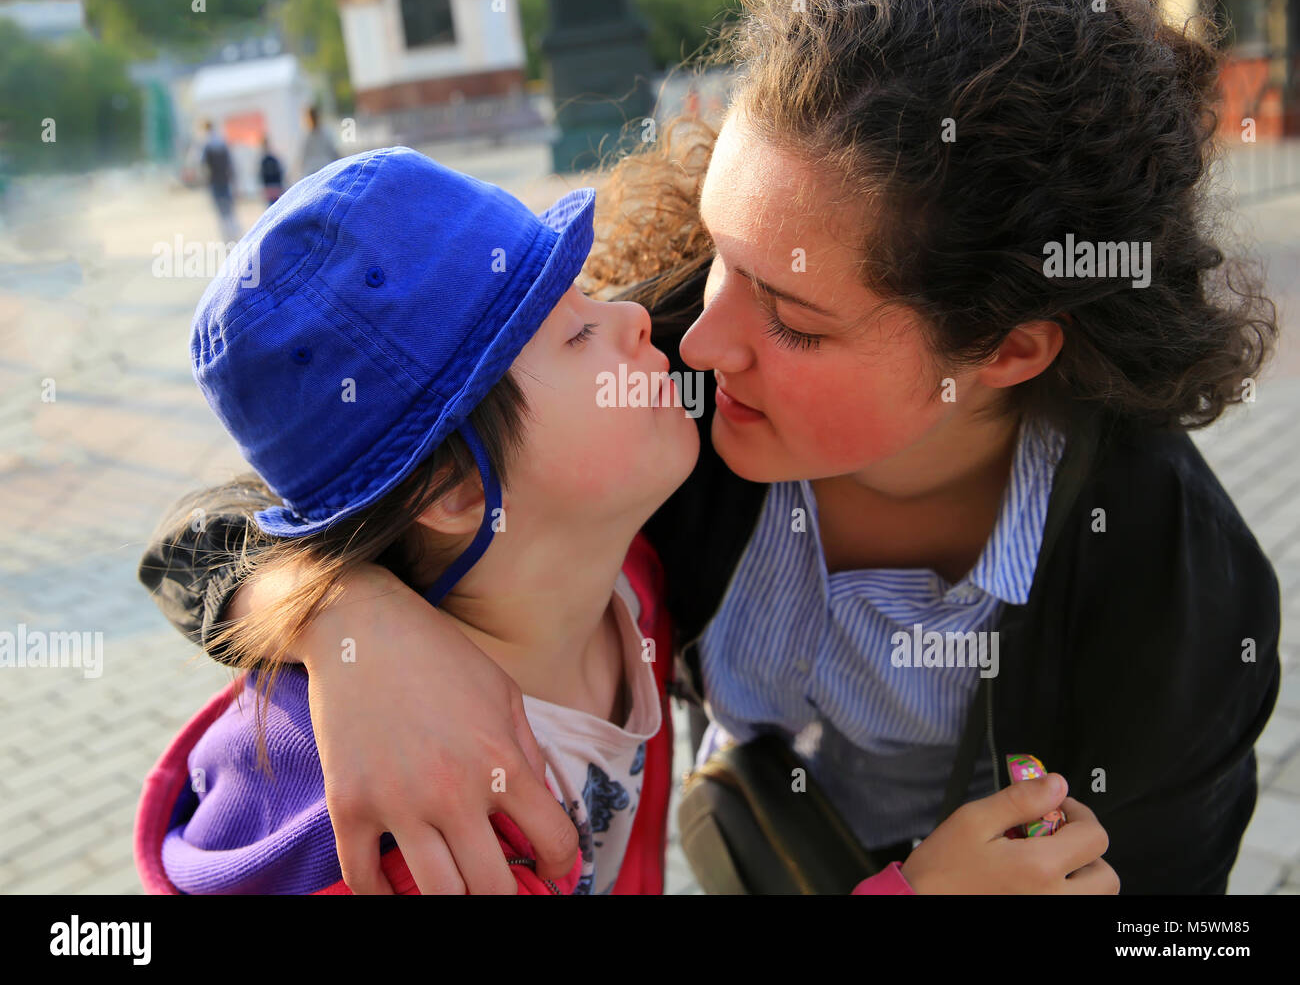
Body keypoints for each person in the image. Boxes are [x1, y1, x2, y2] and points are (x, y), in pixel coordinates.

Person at [139, 0, 1280, 895]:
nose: (691, 333)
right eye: (718, 254)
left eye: (795, 316)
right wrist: (350, 627)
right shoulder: (659, 396)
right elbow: (283, 506)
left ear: (1005, 347)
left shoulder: (1175, 586)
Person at [133, 147, 1103, 896]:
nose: (640, 320)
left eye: (595, 293)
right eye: (572, 330)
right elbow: (180, 548)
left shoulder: (620, 582)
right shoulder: (400, 824)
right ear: (454, 491)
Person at [199, 120, 240, 241]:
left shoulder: (205, 144)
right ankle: (234, 231)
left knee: (220, 211)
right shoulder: (221, 141)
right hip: (225, 179)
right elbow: (230, 163)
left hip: (214, 181)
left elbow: (202, 165)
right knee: (230, 208)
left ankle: (226, 235)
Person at [298, 105, 338, 179]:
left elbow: (303, 156)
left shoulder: (306, 136)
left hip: (311, 171)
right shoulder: (326, 133)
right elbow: (333, 151)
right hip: (325, 167)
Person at [259, 136, 285, 205]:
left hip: (273, 185)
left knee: (274, 204)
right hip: (271, 186)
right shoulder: (266, 160)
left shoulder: (268, 159)